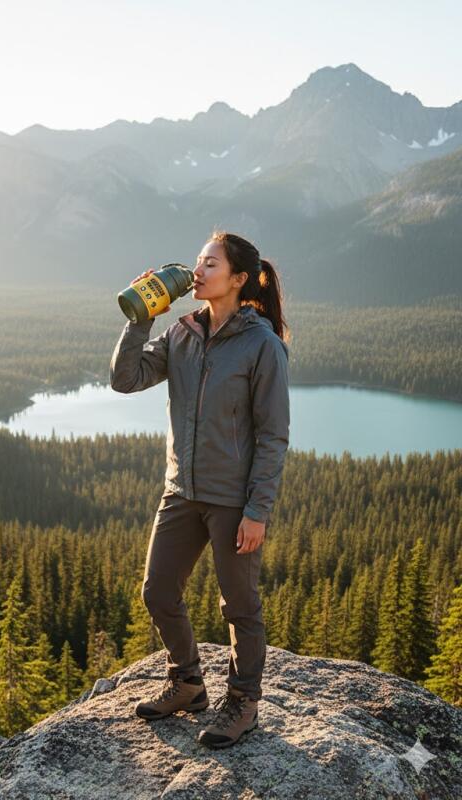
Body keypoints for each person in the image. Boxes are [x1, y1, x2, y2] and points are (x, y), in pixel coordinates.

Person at [109, 230, 290, 749]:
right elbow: (126, 378)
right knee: (158, 591)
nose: (199, 271)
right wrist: (140, 319)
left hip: (232, 499)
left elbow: (273, 435)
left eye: (211, 264)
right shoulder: (182, 333)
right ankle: (187, 683)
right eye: (198, 262)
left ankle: (243, 703)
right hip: (181, 490)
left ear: (238, 279)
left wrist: (257, 510)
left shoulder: (262, 345)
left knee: (240, 605)